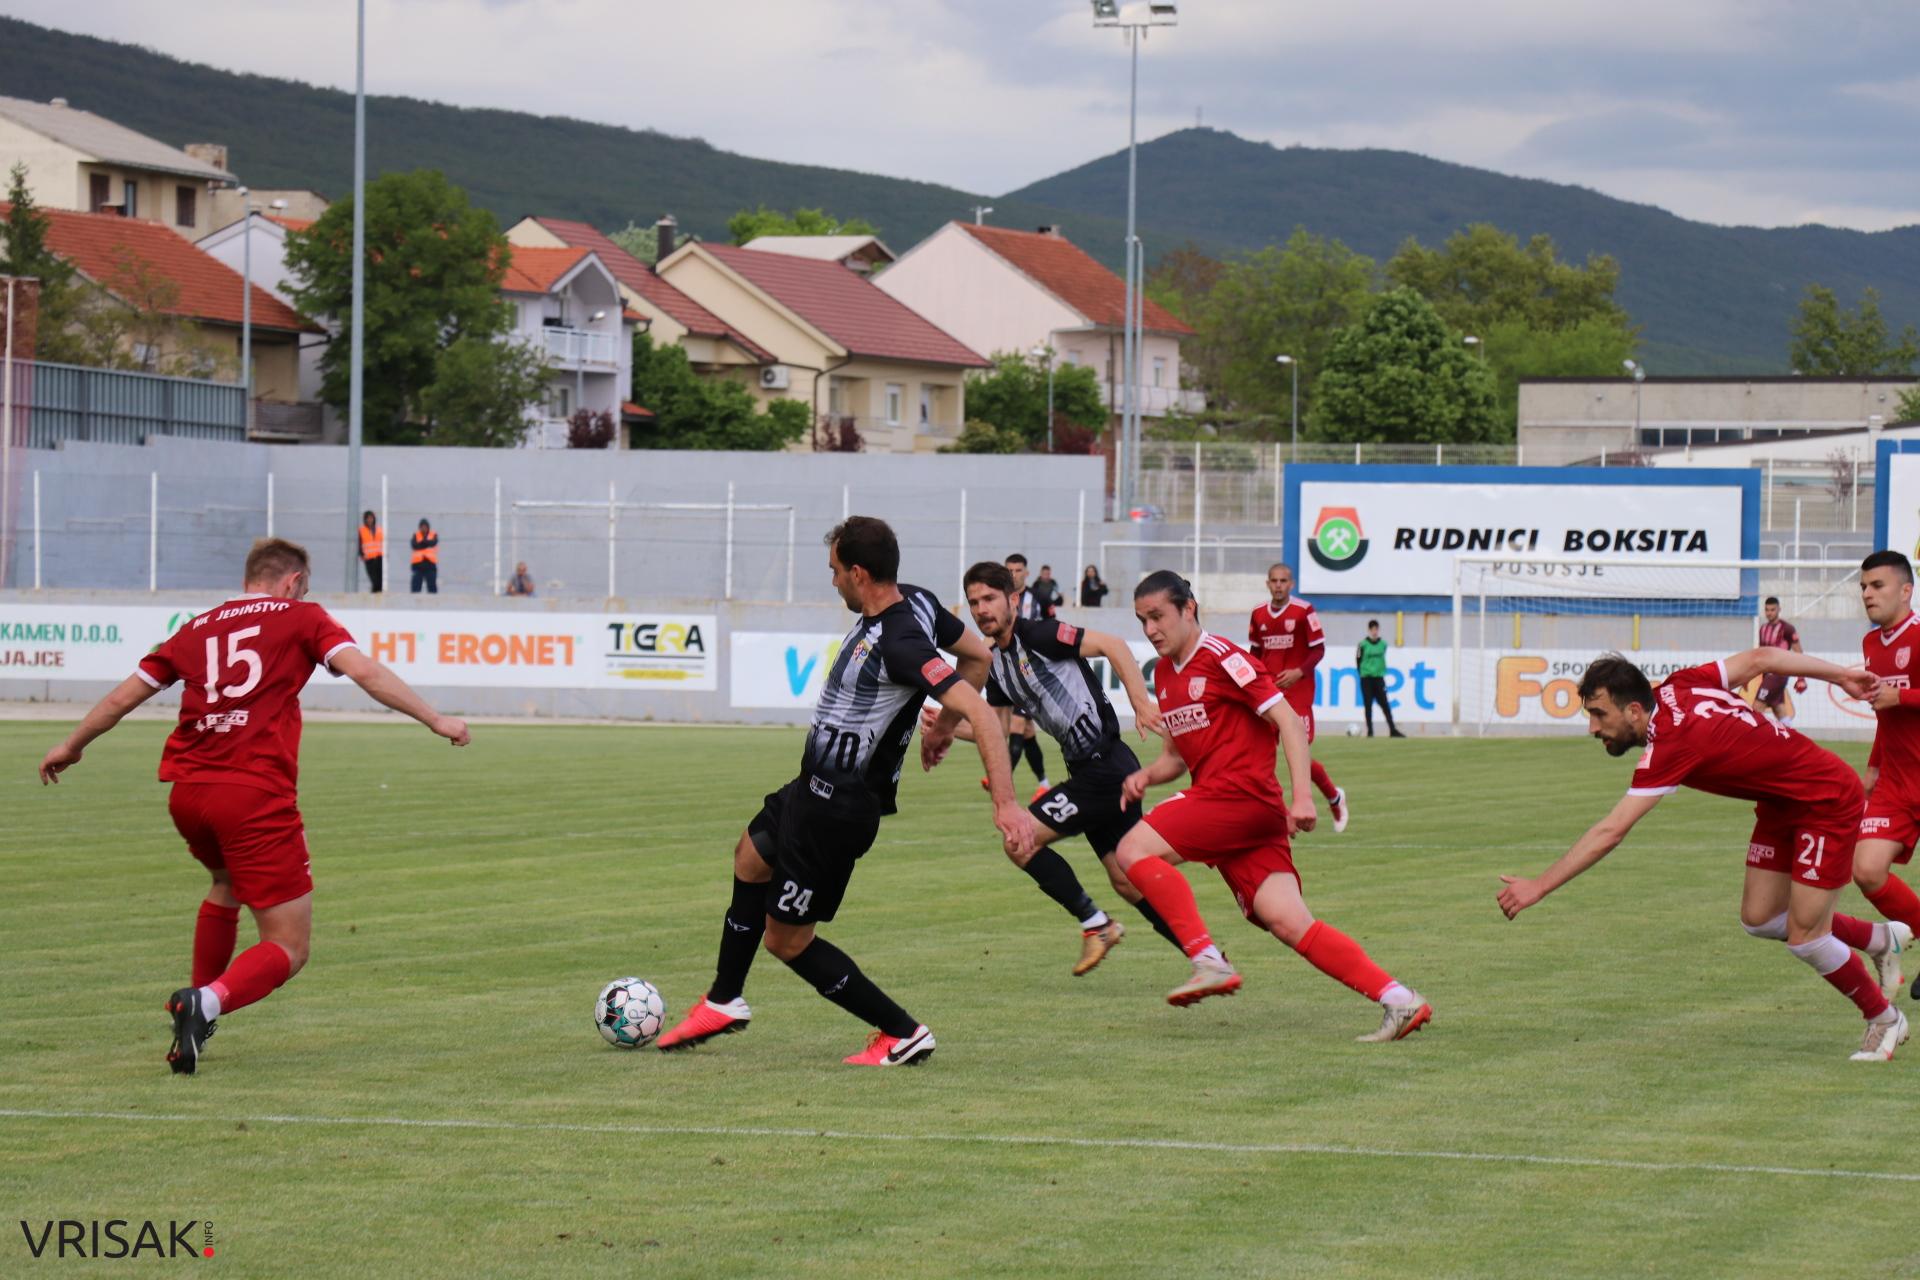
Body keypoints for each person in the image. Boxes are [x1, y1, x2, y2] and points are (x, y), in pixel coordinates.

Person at [36, 537, 471, 1074]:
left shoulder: (197, 628)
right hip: (252, 794)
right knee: (288, 946)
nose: (304, 593)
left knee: (226, 884)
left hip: (188, 792)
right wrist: (436, 719)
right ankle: (207, 1002)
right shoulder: (301, 616)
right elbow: (364, 671)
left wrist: (72, 745)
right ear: (291, 581)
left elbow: (124, 697)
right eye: (304, 586)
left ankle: (194, 1015)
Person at [655, 517, 1034, 1066]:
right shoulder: (922, 601)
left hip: (837, 809)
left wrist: (1005, 804)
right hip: (810, 789)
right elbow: (979, 657)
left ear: (859, 573)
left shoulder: (902, 640)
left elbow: (982, 707)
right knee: (749, 857)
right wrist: (942, 729)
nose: (831, 582)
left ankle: (902, 1032)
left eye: (834, 572)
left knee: (786, 941)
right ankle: (724, 998)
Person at [1496, 650, 1909, 1061]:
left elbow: (1610, 831)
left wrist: (1539, 886)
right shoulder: (1682, 684)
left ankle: (1885, 1020)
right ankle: (1877, 938)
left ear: (1635, 711)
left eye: (1600, 715)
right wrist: (1839, 676)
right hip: (1781, 802)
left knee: (1806, 937)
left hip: (1825, 800)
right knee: (1761, 919)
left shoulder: (1673, 742)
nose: (1593, 727)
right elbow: (1762, 658)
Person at [1112, 571, 1432, 1041]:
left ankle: (1207, 959)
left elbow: (1287, 720)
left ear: (1189, 609)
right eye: (1142, 621)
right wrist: (1147, 775)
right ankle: (1400, 1000)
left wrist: (1302, 795)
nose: (1151, 629)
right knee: (1287, 920)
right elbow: (1177, 758)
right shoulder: (1163, 673)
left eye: (1158, 616)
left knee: (1132, 852)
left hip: (1238, 797)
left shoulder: (1224, 657)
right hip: (1234, 812)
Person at [921, 560, 1183, 975]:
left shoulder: (1040, 633)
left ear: (1012, 599)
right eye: (973, 603)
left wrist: (1140, 701)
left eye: (989, 598)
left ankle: (1097, 925)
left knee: (1019, 840)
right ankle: (1205, 955)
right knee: (1127, 879)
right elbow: (1000, 732)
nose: (981, 609)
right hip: (1091, 772)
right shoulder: (994, 665)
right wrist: (953, 731)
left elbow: (1113, 644)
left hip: (1106, 766)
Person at [1851, 550, 1920, 992]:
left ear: (1906, 590)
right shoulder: (1872, 644)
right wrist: (1874, 765)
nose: (1867, 594)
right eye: (1863, 587)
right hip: (1897, 781)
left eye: (1877, 586)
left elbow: (1898, 702)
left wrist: (1906, 697)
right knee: (1867, 868)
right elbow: (1885, 713)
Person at [1248, 563, 1348, 831]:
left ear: (1291, 584)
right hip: (1269, 694)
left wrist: (1298, 672)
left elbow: (1318, 650)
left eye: (1283, 581)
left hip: (1298, 693)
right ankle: (1278, 813)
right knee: (1261, 757)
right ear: (1268, 583)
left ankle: (1334, 796)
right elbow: (1254, 653)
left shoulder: (1304, 611)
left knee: (1301, 754)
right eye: (1274, 581)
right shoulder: (1258, 614)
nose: (1278, 585)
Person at [997, 552, 1049, 791]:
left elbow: (1050, 627)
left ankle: (1001, 779)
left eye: (1018, 570)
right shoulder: (999, 598)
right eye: (1009, 570)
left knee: (1017, 725)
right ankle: (1044, 786)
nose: (1013, 575)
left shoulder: (1038, 598)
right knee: (1027, 732)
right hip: (1010, 670)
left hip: (1033, 673)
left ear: (1026, 573)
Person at [1754, 596, 1807, 727]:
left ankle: (1757, 741)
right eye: (1767, 610)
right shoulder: (1763, 629)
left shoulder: (1787, 629)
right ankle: (1791, 741)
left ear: (1779, 609)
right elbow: (1762, 653)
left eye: (1772, 610)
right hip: (1767, 675)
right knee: (1779, 709)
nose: (1769, 613)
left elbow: (1799, 653)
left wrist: (1801, 678)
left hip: (1778, 674)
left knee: (1756, 708)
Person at [1356, 620, 1405, 738]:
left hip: (1379, 678)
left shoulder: (1383, 644)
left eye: (1376, 629)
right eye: (1372, 629)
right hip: (1366, 679)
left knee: (1385, 705)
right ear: (1369, 630)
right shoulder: (1362, 645)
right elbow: (1358, 660)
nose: (1374, 632)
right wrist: (1363, 673)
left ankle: (1392, 729)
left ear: (1378, 630)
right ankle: (1370, 731)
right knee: (1368, 705)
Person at [410, 519, 439, 594]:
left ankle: (433, 604)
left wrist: (422, 543)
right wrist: (426, 543)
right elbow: (414, 546)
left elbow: (433, 543)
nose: (424, 528)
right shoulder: (415, 535)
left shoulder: (433, 535)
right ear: (419, 527)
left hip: (430, 565)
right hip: (418, 565)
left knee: (432, 588)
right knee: (415, 588)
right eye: (422, 527)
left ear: (428, 527)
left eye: (425, 527)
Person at [357, 511, 384, 594]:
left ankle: (377, 595)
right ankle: (374, 594)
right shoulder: (361, 530)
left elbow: (383, 542)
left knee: (380, 580)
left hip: (379, 557)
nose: (369, 520)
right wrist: (361, 554)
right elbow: (359, 543)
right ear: (365, 519)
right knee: (374, 579)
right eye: (368, 518)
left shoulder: (379, 530)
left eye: (371, 518)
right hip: (369, 558)